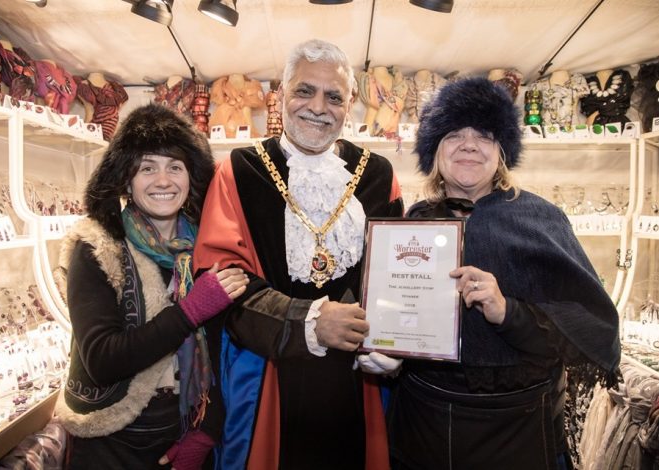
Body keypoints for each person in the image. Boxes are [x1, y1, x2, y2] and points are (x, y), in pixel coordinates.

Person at [386, 77, 620, 470]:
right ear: (434, 152)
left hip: (518, 427)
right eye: (453, 134)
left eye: (485, 134)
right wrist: (388, 342)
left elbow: (591, 326)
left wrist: (507, 312)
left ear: (502, 152)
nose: (469, 144)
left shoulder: (541, 218)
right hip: (423, 419)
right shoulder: (416, 221)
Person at [194, 39, 404, 470]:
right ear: (281, 96)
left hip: (358, 381)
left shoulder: (379, 176)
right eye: (304, 91)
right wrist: (307, 321)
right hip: (269, 376)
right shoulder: (239, 170)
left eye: (334, 97)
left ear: (349, 106)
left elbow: (398, 278)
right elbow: (221, 281)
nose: (318, 107)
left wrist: (395, 339)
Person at [55, 103, 249, 470]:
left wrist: (205, 432)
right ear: (126, 179)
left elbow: (227, 353)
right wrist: (190, 311)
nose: (163, 181)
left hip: (182, 427)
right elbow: (102, 360)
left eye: (175, 167)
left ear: (191, 178)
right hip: (109, 442)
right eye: (148, 168)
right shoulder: (96, 245)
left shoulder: (206, 250)